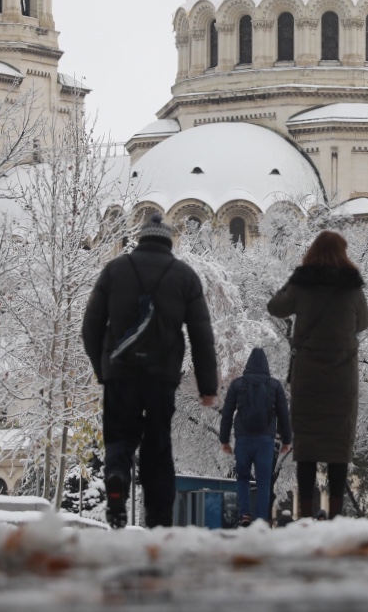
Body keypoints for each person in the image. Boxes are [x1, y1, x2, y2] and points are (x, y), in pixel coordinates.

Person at [82, 213, 218, 528]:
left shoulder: (115, 270)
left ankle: (117, 476)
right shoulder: (184, 276)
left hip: (120, 371)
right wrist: (207, 386)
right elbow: (201, 335)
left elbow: (91, 326)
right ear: (168, 242)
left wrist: (101, 368)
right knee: (158, 445)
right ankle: (159, 519)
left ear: (140, 239)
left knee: (119, 436)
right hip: (162, 376)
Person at [267, 229, 368, 520]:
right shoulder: (352, 287)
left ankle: (306, 516)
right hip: (341, 377)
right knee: (338, 446)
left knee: (307, 446)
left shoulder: (303, 284)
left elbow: (275, 306)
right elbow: (363, 322)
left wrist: (296, 279)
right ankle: (336, 516)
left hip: (309, 376)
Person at [218, 347, 292, 527]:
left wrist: (224, 439)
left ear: (248, 364)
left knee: (242, 478)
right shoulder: (274, 385)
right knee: (263, 482)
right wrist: (286, 439)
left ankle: (244, 514)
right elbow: (283, 414)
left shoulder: (237, 384)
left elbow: (227, 412)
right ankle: (259, 518)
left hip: (243, 439)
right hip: (265, 441)